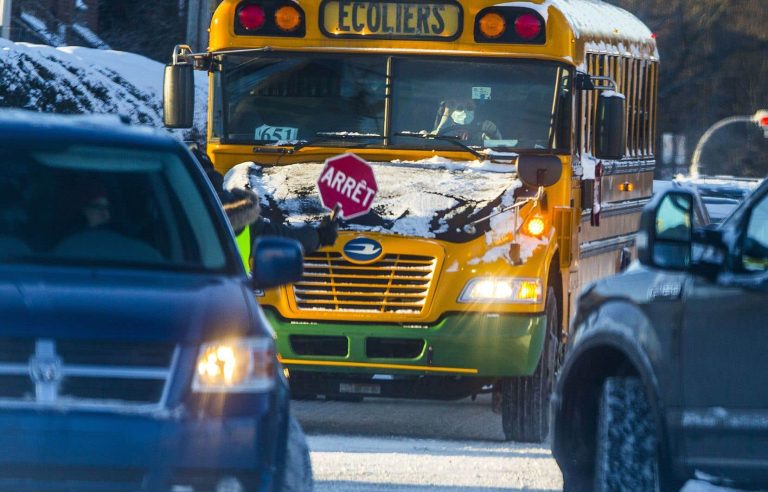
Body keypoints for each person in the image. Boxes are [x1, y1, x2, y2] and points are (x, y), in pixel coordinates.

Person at [189, 145, 338, 264]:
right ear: (212, 178)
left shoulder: (168, 212)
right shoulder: (235, 214)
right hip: (226, 294)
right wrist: (319, 236)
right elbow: (283, 238)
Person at [432, 98, 501, 144]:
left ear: (476, 107)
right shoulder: (443, 126)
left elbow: (499, 148)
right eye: (460, 108)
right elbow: (432, 145)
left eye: (469, 107)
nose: (464, 112)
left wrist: (485, 139)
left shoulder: (487, 127)